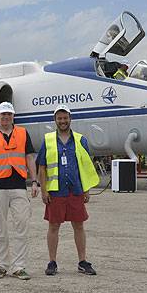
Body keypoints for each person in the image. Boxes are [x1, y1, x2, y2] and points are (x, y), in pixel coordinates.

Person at [0, 102, 39, 280]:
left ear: (13, 116)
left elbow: (29, 158)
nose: (6, 118)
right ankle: (1, 265)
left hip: (19, 185)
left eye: (9, 115)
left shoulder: (22, 133)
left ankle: (19, 267)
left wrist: (34, 181)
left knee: (22, 225)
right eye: (3, 115)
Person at [36, 105, 100, 276]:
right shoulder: (48, 140)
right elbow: (42, 167)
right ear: (55, 120)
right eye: (59, 118)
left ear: (70, 119)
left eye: (65, 118)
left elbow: (85, 167)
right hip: (56, 191)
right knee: (53, 226)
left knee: (79, 225)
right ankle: (52, 262)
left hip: (75, 190)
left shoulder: (80, 140)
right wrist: (44, 190)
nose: (62, 121)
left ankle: (82, 261)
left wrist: (86, 190)